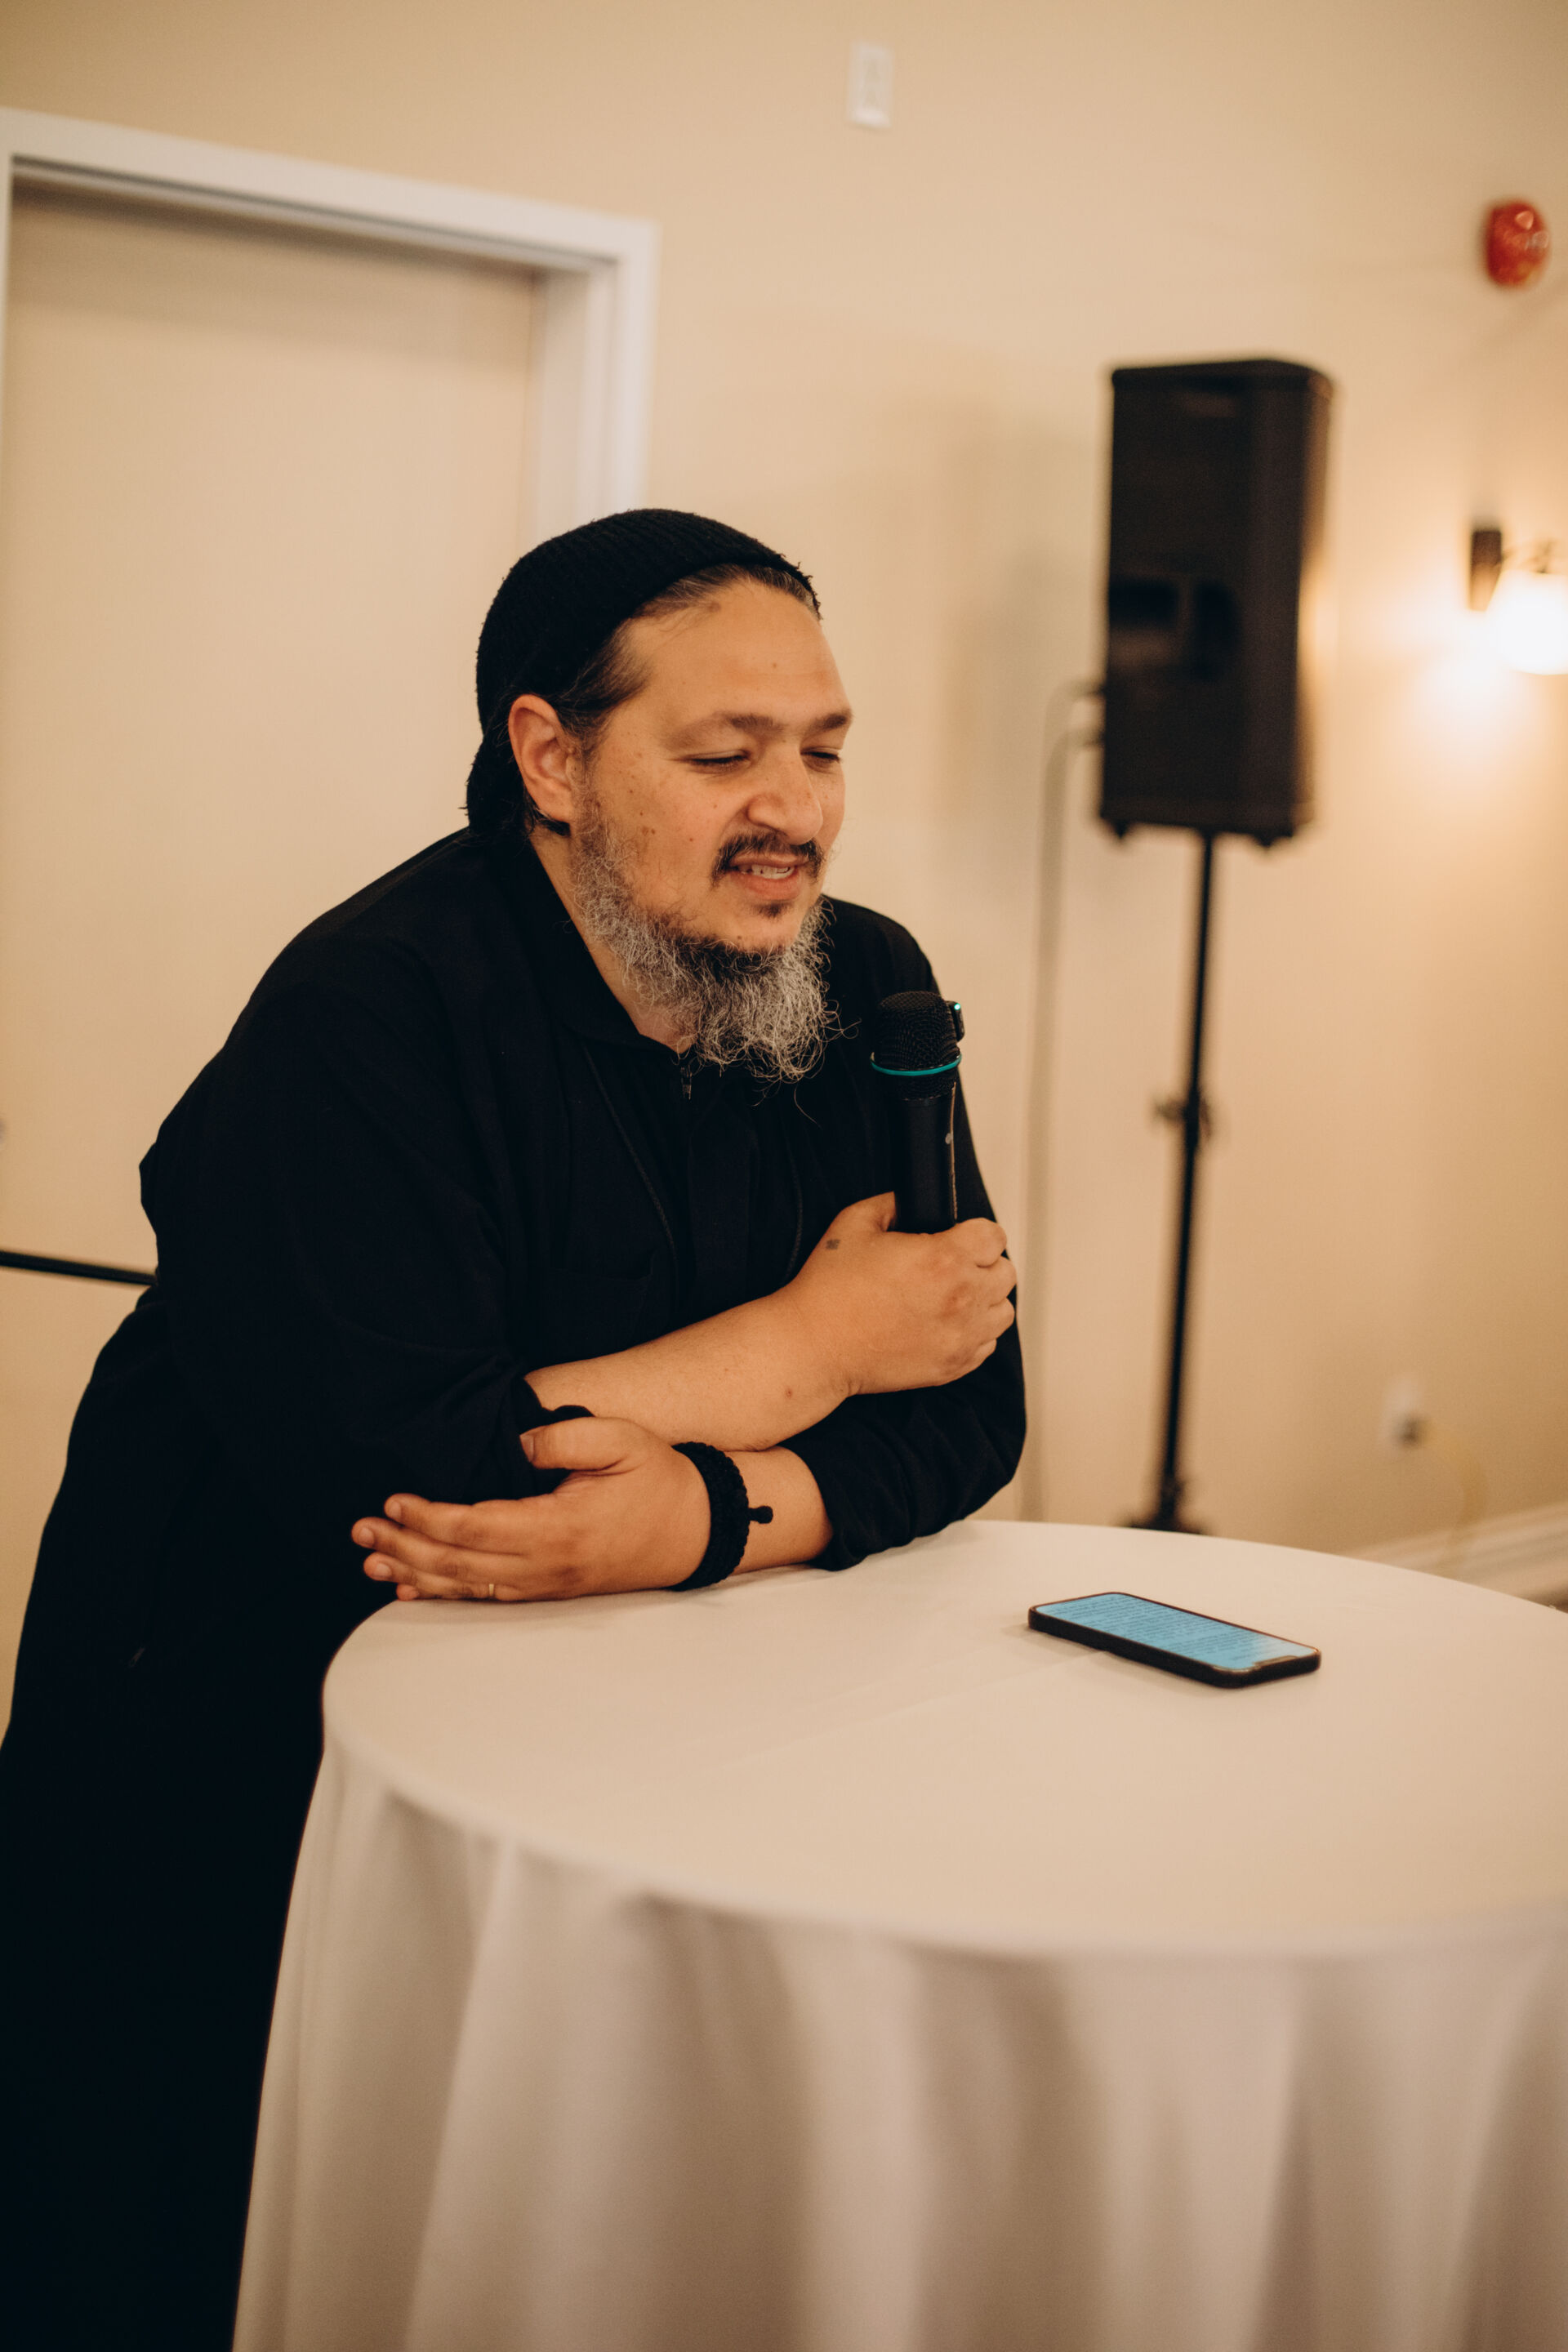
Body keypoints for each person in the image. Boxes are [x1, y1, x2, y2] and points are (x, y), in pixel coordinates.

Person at [0, 509, 1024, 2350]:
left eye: (823, 749)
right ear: (550, 757)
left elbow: (970, 1401)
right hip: (239, 1723)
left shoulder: (865, 976)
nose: (792, 808)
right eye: (724, 754)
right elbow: (414, 1482)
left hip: (641, 1715)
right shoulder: (368, 1008)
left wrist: (704, 1516)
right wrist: (814, 1343)